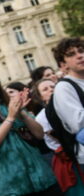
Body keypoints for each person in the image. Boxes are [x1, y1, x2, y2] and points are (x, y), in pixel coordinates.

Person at [0, 65, 60, 195]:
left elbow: (39, 134)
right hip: (12, 186)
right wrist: (11, 118)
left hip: (41, 177)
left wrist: (22, 114)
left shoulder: (11, 103)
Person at [47, 38, 84, 194]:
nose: (80, 56)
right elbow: (77, 123)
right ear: (63, 65)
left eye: (81, 51)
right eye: (72, 54)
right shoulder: (64, 87)